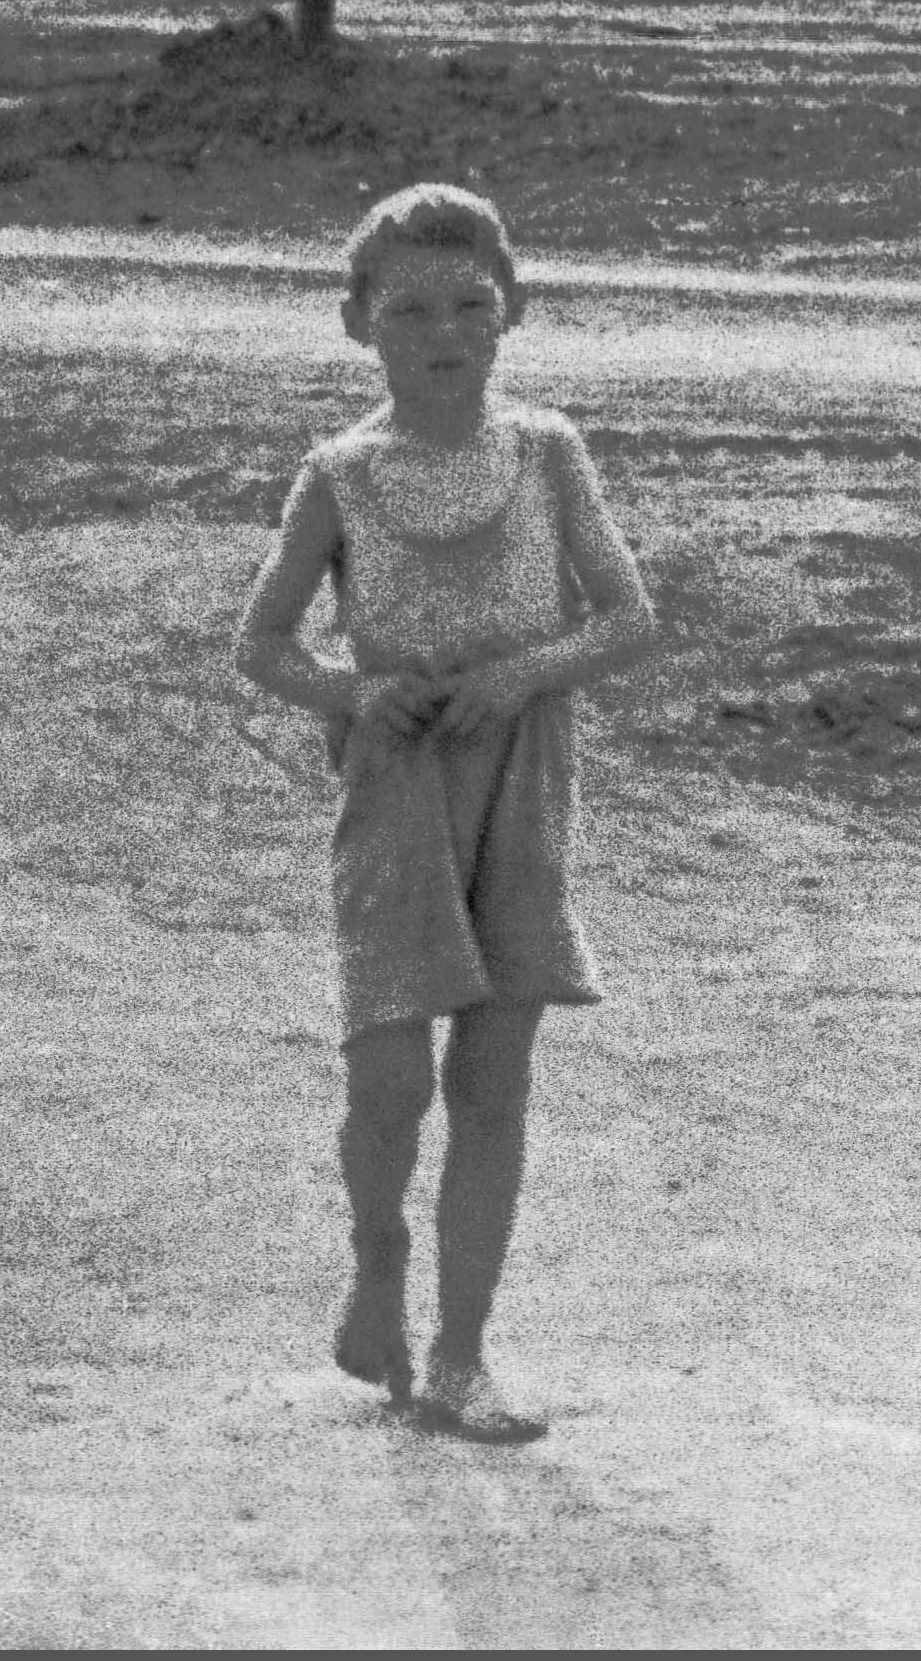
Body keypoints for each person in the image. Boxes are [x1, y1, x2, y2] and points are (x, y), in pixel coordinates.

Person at [233, 181, 663, 1446]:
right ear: (356, 320)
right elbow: (262, 642)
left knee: (493, 1074)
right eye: (409, 308)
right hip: (397, 790)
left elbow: (627, 615)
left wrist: (523, 674)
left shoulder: (546, 450)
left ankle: (461, 1352)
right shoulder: (339, 474)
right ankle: (377, 1260)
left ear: (512, 309)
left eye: (472, 304)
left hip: (520, 786)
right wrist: (354, 692)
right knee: (388, 1080)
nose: (445, 332)